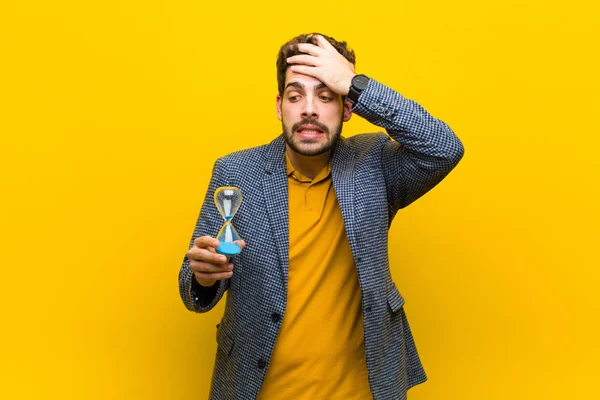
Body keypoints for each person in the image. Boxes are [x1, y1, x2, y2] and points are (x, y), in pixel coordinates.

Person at [178, 33, 464, 400]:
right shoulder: (236, 173)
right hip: (258, 388)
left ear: (347, 108)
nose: (310, 109)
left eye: (326, 95)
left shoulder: (374, 164)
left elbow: (444, 148)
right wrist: (202, 277)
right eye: (296, 96)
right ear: (280, 107)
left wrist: (357, 85)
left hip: (362, 390)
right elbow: (192, 282)